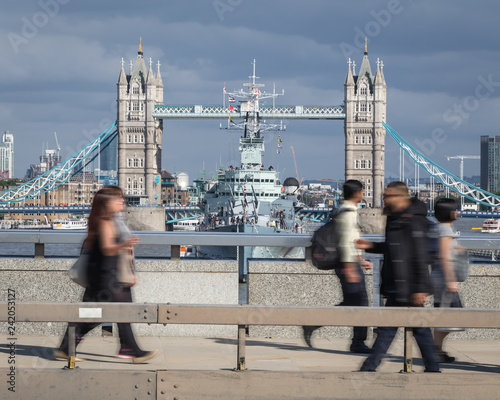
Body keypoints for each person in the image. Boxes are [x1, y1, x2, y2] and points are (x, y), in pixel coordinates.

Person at [54, 186, 158, 364]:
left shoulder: (110, 220)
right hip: (106, 279)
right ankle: (67, 348)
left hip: (110, 275)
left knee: (116, 313)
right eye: (118, 199)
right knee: (95, 316)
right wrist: (124, 243)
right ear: (107, 203)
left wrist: (129, 270)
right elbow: (107, 249)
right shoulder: (104, 222)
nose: (122, 201)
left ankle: (128, 348)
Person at [356, 181, 439, 372]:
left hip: (408, 285)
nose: (384, 199)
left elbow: (420, 256)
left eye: (388, 196)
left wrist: (420, 288)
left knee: (389, 329)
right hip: (398, 283)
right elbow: (393, 249)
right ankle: (433, 368)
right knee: (417, 329)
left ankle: (369, 368)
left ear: (401, 197)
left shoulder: (413, 221)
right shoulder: (396, 218)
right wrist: (371, 246)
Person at [303, 179, 372, 353]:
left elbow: (348, 240)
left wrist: (360, 260)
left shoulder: (342, 210)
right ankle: (357, 342)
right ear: (357, 193)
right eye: (361, 191)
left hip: (347, 263)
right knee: (361, 304)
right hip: (347, 265)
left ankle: (313, 324)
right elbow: (345, 243)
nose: (362, 194)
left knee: (352, 303)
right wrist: (351, 267)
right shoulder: (349, 212)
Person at [431, 198, 464, 363]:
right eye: (456, 209)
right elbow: (444, 256)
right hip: (444, 281)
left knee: (444, 317)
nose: (458, 212)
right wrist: (451, 280)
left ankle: (437, 350)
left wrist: (456, 248)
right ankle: (434, 348)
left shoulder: (441, 229)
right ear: (450, 212)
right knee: (453, 317)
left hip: (440, 279)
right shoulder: (445, 230)